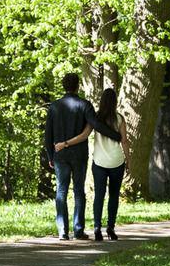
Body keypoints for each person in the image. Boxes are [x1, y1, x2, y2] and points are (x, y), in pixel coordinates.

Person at [44, 73, 122, 240]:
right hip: (79, 155)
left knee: (61, 191)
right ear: (77, 86)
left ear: (63, 86)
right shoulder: (84, 105)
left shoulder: (54, 107)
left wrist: (50, 156)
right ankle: (78, 230)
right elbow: (95, 125)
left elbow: (48, 135)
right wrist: (116, 136)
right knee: (79, 191)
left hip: (60, 155)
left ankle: (62, 231)